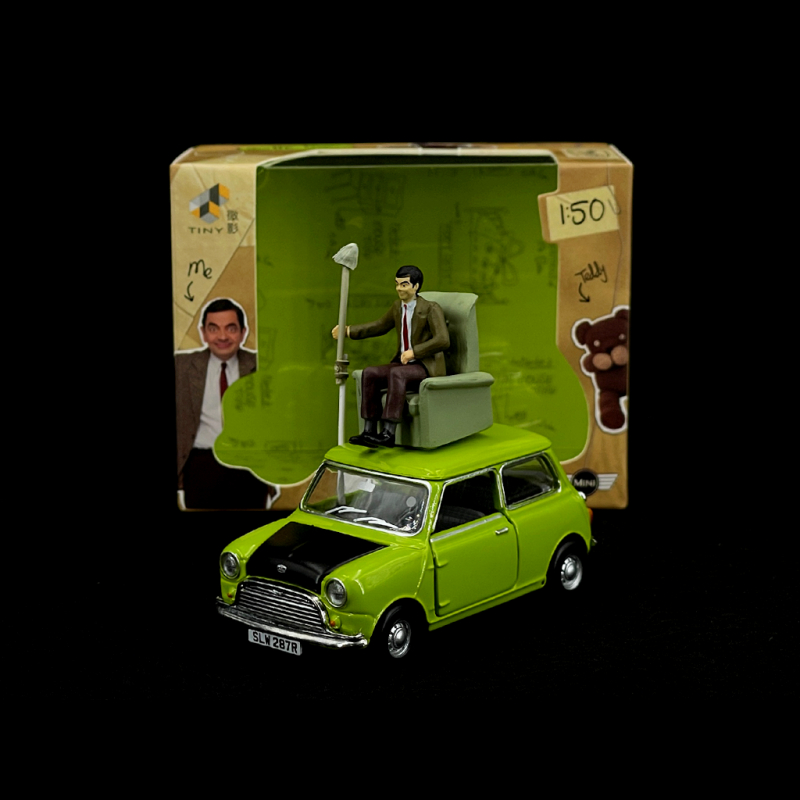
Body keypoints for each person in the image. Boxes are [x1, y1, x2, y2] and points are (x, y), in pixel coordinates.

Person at [175, 298, 278, 509]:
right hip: (201, 467)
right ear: (203, 333)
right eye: (214, 329)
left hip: (250, 466)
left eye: (231, 328)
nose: (222, 336)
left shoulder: (263, 367)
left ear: (243, 332)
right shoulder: (181, 366)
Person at [332, 265, 449, 447]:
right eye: (397, 284)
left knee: (397, 374)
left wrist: (415, 352)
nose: (399, 289)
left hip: (425, 366)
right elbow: (379, 326)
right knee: (370, 373)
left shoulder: (430, 308)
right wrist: (348, 331)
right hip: (403, 364)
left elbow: (443, 340)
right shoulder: (397, 307)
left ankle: (388, 433)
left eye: (404, 284)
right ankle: (369, 430)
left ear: (416, 286)